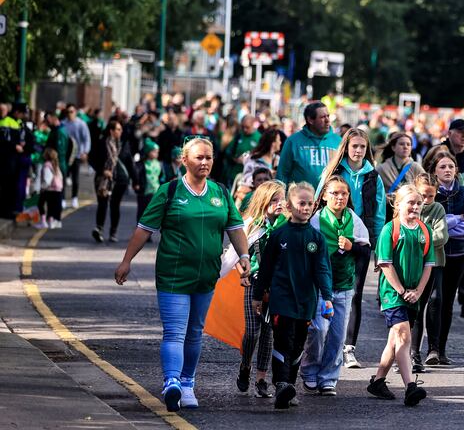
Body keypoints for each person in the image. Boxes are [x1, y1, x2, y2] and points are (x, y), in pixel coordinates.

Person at [114, 136, 249, 412]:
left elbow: (235, 228)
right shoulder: (170, 191)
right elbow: (144, 229)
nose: (205, 162)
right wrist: (126, 260)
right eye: (199, 157)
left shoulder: (221, 192)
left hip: (206, 276)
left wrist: (244, 256)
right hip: (174, 276)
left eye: (208, 157)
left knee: (195, 332)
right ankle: (172, 382)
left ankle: (187, 383)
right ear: (184, 160)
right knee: (175, 332)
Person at [251, 182, 334, 409]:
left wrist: (327, 297)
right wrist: (258, 295)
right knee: (283, 341)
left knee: (298, 344)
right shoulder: (279, 235)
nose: (306, 208)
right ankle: (281, 385)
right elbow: (266, 268)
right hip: (282, 300)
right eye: (301, 203)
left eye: (310, 204)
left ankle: (290, 387)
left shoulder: (317, 238)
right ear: (289, 205)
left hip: (306, 301)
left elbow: (322, 269)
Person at [317, 129, 387, 369]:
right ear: (346, 147)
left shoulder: (373, 177)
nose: (358, 151)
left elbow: (378, 214)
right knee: (325, 290)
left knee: (355, 293)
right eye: (354, 146)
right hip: (329, 238)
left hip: (360, 240)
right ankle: (322, 340)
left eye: (362, 147)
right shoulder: (333, 172)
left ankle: (348, 349)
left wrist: (378, 250)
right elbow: (317, 202)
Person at [302, 176, 370, 395]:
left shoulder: (353, 219)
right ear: (323, 196)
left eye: (344, 193)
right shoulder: (316, 220)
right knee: (319, 330)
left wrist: (351, 247)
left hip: (344, 284)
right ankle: (310, 369)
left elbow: (366, 249)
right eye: (335, 193)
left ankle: (329, 377)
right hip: (321, 286)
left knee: (338, 336)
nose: (340, 197)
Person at [367, 184, 433, 407]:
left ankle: (377, 381)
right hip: (392, 294)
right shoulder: (390, 229)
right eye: (410, 202)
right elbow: (386, 265)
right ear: (397, 205)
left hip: (413, 294)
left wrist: (418, 292)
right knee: (404, 336)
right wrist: (403, 291)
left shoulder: (425, 230)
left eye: (418, 203)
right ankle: (410, 387)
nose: (415, 206)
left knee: (395, 341)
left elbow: (428, 266)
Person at [234, 181, 288, 399]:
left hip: (277, 286)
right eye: (273, 201)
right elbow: (237, 254)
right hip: (254, 282)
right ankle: (245, 365)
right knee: (252, 332)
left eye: (281, 200)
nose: (278, 204)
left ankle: (261, 379)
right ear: (263, 203)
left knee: (268, 333)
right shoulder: (252, 225)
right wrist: (242, 273)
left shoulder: (287, 225)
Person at [424, 150, 464, 366]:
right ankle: (431, 349)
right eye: (442, 167)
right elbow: (426, 226)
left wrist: (443, 225)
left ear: (456, 170)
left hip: (458, 255)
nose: (447, 170)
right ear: (435, 171)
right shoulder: (429, 194)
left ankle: (442, 349)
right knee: (434, 299)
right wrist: (456, 219)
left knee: (447, 301)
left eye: (451, 167)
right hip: (434, 255)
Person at [410, 173, 448, 374]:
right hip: (412, 265)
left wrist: (417, 239)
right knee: (416, 304)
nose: (425, 201)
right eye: (422, 195)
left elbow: (442, 236)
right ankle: (413, 352)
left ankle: (433, 349)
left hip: (434, 263)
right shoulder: (408, 207)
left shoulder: (438, 209)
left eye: (430, 196)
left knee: (436, 300)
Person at [276, 101, 342, 188]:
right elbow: (282, 174)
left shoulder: (338, 141)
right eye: (322, 117)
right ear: (310, 120)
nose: (327, 120)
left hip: (329, 199)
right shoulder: (293, 141)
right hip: (300, 199)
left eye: (328, 116)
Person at [93, 120, 134, 243]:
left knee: (115, 205)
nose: (120, 132)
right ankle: (99, 229)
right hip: (103, 179)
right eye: (118, 129)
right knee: (102, 203)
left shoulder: (123, 145)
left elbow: (129, 163)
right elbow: (93, 160)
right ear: (111, 131)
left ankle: (113, 232)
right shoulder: (102, 143)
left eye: (121, 129)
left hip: (119, 180)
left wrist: (135, 180)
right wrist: (102, 170)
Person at [376, 132, 425, 215]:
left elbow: (424, 188)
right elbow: (375, 191)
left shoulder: (416, 167)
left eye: (408, 144)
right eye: (401, 144)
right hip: (388, 211)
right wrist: (384, 197)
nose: (405, 147)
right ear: (393, 147)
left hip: (411, 211)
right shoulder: (381, 168)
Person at [236, 128, 282, 201]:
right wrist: (264, 175)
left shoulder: (278, 160)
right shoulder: (253, 159)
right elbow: (247, 178)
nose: (280, 142)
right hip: (254, 197)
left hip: (271, 198)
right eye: (279, 140)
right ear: (273, 142)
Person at [61, 104, 91, 209]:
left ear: (75, 112)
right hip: (65, 155)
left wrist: (85, 152)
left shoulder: (81, 124)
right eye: (68, 112)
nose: (70, 114)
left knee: (75, 178)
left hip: (77, 155)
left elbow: (86, 138)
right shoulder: (63, 123)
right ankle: (63, 199)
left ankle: (74, 198)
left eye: (72, 111)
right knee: (63, 177)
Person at [223, 115, 261, 187]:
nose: (244, 129)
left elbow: (261, 155)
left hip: (250, 177)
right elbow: (229, 151)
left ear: (253, 124)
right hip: (235, 174)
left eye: (247, 127)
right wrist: (235, 159)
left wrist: (249, 159)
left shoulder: (258, 137)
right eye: (243, 127)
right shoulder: (239, 136)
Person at [132, 139, 164, 223]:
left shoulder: (158, 163)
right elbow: (136, 175)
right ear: (148, 152)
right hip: (144, 192)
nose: (156, 153)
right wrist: (136, 183)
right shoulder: (141, 164)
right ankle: (140, 231)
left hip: (155, 191)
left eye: (157, 152)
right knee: (142, 212)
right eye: (154, 151)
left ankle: (148, 232)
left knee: (152, 213)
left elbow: (161, 176)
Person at [37, 148, 64, 229]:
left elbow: (47, 179)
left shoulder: (47, 165)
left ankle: (44, 221)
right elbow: (61, 176)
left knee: (40, 204)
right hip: (58, 189)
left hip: (49, 189)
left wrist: (42, 188)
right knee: (53, 206)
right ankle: (52, 221)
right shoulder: (55, 165)